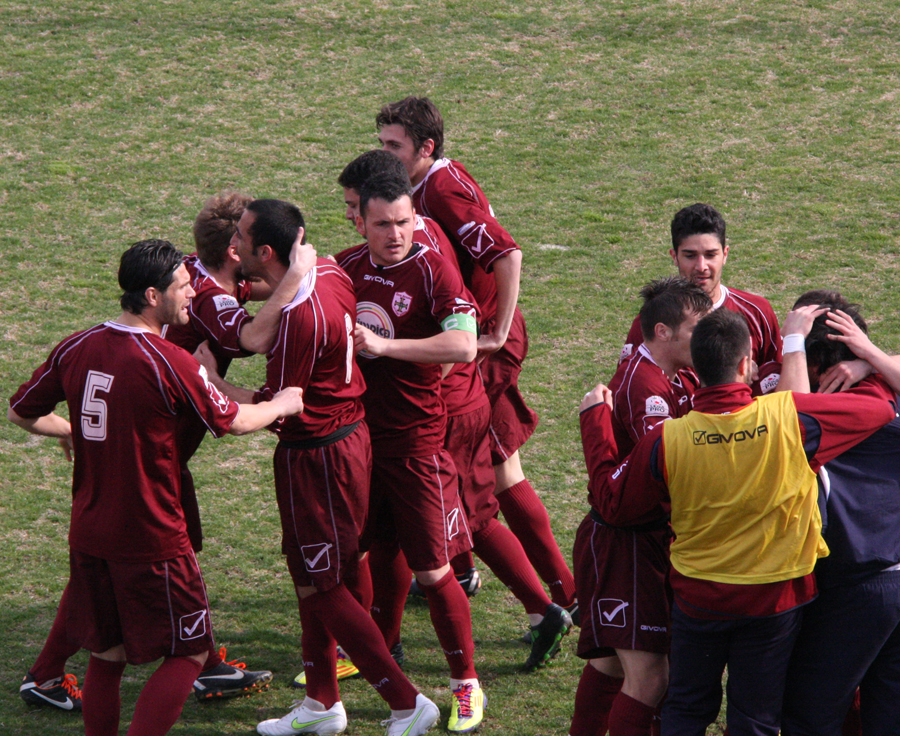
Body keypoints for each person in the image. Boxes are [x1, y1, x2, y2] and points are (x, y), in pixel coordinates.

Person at [18, 194, 316, 711]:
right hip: (152, 518)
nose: (191, 290)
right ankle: (194, 666)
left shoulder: (76, 345)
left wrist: (78, 427)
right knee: (186, 652)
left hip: (91, 519)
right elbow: (240, 404)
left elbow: (21, 411)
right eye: (182, 285)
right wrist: (283, 402)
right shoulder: (174, 357)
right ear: (154, 294)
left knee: (107, 654)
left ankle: (62, 675)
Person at [579, 308, 897, 736]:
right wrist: (865, 363)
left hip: (699, 597)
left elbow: (613, 505)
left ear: (696, 364)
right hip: (775, 600)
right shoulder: (791, 419)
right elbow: (879, 408)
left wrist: (595, 423)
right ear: (747, 364)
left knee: (686, 711)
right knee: (756, 719)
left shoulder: (666, 440)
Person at [195, 198, 439, 736]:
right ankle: (321, 703)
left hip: (318, 456)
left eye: (241, 238)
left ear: (264, 252)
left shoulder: (300, 320)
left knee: (325, 584)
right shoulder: (328, 268)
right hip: (348, 441)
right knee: (312, 580)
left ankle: (406, 702)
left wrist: (211, 384)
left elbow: (282, 405)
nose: (231, 245)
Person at [338, 150, 573, 671]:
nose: (353, 218)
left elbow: (458, 339)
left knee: (469, 516)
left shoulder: (423, 255)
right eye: (360, 213)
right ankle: (385, 637)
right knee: (404, 529)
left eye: (358, 207)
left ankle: (546, 608)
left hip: (445, 407)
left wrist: (400, 367)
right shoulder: (365, 257)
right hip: (425, 409)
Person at [376, 97, 578, 619]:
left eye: (393, 146)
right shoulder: (427, 184)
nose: (385, 155)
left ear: (426, 147)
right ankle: (520, 582)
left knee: (472, 472)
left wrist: (499, 330)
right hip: (476, 342)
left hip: (482, 348)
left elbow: (507, 253)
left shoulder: (441, 189)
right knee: (499, 466)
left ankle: (558, 596)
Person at [335, 173, 485, 733]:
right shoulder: (344, 269)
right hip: (359, 441)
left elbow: (463, 344)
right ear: (361, 222)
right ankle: (374, 653)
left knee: (434, 569)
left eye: (404, 221)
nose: (396, 233)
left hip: (417, 445)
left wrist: (383, 346)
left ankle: (465, 685)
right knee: (358, 555)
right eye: (383, 224)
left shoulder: (432, 268)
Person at [569, 278, 711, 736]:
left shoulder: (672, 373)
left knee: (612, 665)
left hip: (637, 539)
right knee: (650, 679)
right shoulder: (646, 390)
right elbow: (664, 470)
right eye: (697, 330)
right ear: (664, 332)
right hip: (626, 544)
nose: (706, 340)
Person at [776, 291, 900, 736]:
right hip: (894, 577)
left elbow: (786, 418)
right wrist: (872, 358)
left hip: (859, 585)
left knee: (810, 715)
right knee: (886, 715)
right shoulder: (888, 386)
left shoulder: (835, 412)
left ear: (818, 370)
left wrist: (792, 340)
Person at [620, 203, 782, 396]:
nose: (701, 266)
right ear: (674, 256)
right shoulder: (654, 322)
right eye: (690, 256)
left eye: (710, 255)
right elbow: (631, 389)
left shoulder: (757, 311)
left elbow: (778, 381)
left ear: (725, 254)